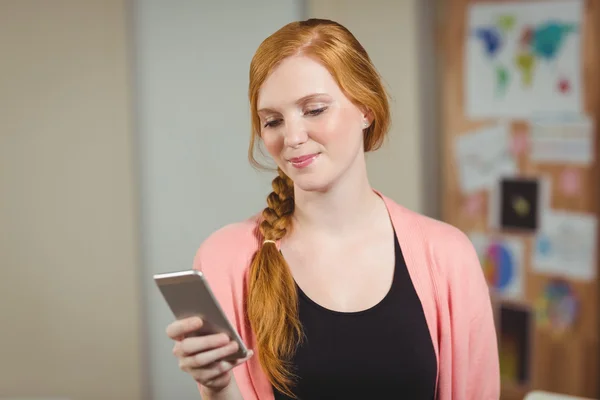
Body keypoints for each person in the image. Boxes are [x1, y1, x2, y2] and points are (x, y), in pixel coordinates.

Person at [166, 18, 500, 400]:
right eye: (273, 120)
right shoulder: (224, 260)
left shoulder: (448, 256)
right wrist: (216, 386)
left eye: (314, 110)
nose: (292, 137)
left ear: (366, 108)